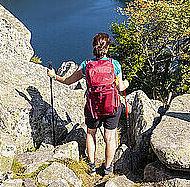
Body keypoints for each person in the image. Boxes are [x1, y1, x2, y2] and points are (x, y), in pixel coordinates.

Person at [47, 33, 129, 176]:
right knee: (109, 138)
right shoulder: (114, 64)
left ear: (94, 47)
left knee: (91, 134)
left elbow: (67, 81)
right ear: (107, 48)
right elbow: (121, 87)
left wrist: (54, 76)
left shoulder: (86, 65)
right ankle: (108, 168)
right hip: (112, 106)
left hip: (93, 107)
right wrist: (126, 83)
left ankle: (91, 167)